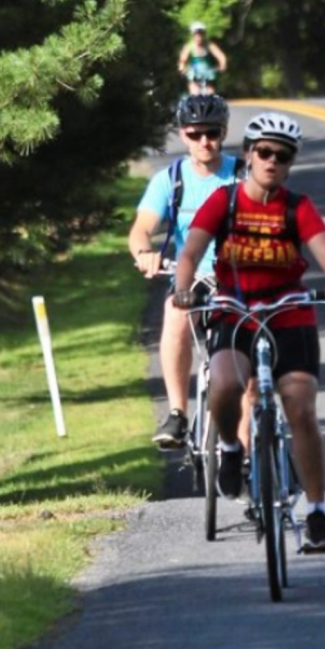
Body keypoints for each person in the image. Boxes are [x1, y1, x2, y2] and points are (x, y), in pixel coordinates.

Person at [173, 111, 325, 553]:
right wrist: (182, 286)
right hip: (234, 311)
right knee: (225, 385)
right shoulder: (225, 201)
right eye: (264, 152)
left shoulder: (296, 206)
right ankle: (232, 447)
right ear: (249, 154)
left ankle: (317, 513)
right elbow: (191, 250)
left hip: (288, 313)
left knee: (300, 405)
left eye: (282, 155)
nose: (272, 161)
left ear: (291, 162)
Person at [128, 94, 241, 447]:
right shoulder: (170, 179)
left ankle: (259, 444)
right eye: (195, 134)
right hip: (191, 277)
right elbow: (141, 229)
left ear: (223, 132)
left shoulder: (243, 175)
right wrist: (145, 253)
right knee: (175, 313)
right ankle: (177, 414)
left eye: (211, 133)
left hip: (238, 278)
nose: (204, 142)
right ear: (183, 134)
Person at [178, 21, 227, 94]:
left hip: (208, 74)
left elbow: (221, 56)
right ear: (193, 35)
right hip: (194, 75)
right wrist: (182, 68)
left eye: (201, 34)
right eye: (197, 34)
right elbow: (182, 59)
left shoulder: (209, 45)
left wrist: (222, 65)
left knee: (211, 94)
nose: (199, 36)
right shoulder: (189, 46)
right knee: (195, 94)